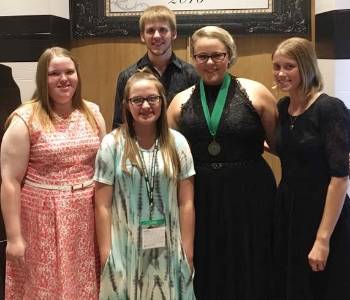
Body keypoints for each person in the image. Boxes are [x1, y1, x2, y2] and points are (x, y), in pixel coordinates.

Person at [167, 26, 278, 299]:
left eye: (217, 55)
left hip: (251, 195)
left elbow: (279, 144)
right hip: (202, 196)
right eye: (201, 56)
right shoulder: (179, 102)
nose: (209, 62)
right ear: (193, 58)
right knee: (209, 263)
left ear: (230, 56)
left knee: (253, 261)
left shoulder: (258, 93)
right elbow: (170, 156)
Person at [0, 47, 106, 299]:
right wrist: (14, 237)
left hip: (86, 218)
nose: (63, 78)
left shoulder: (93, 113)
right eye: (54, 73)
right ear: (41, 78)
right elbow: (10, 180)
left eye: (69, 71)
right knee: (44, 287)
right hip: (41, 219)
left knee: (84, 285)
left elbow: (103, 167)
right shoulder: (25, 119)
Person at [94, 69, 196, 299]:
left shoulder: (178, 143)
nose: (146, 106)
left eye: (152, 99)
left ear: (162, 101)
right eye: (137, 100)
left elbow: (186, 202)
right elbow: (102, 205)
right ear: (127, 105)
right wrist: (106, 253)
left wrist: (187, 250)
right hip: (124, 247)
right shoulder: (111, 145)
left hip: (169, 246)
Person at [271, 37, 350, 300]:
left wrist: (323, 239)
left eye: (289, 66)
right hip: (289, 210)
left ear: (306, 67)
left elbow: (340, 177)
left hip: (323, 212)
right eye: (277, 66)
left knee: (325, 287)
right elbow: (290, 149)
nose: (281, 73)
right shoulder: (283, 107)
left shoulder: (329, 108)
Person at [112, 5, 199, 128]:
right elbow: (119, 124)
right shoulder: (127, 76)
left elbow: (197, 122)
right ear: (142, 36)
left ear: (174, 34)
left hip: (180, 145)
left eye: (163, 30)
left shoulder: (191, 75)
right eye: (150, 30)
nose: (157, 36)